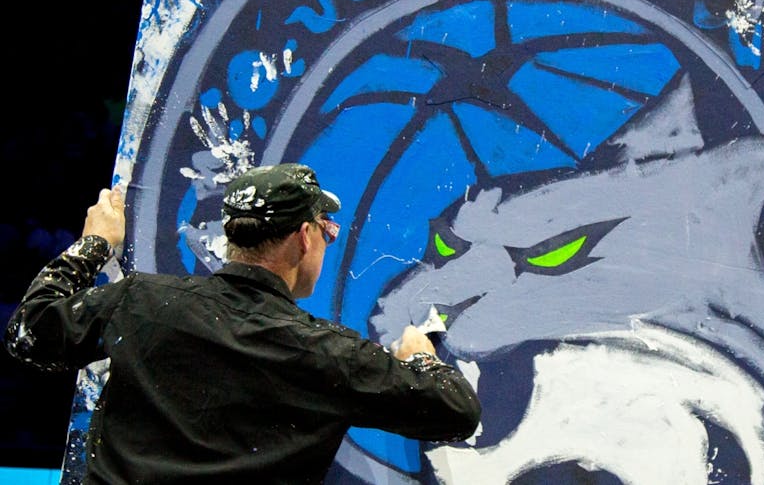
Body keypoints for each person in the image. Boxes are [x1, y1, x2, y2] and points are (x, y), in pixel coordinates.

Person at [6, 163, 480, 483]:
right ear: (303, 237)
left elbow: (30, 332)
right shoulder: (329, 355)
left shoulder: (142, 301)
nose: (327, 243)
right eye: (327, 231)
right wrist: (421, 356)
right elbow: (457, 412)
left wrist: (95, 244)